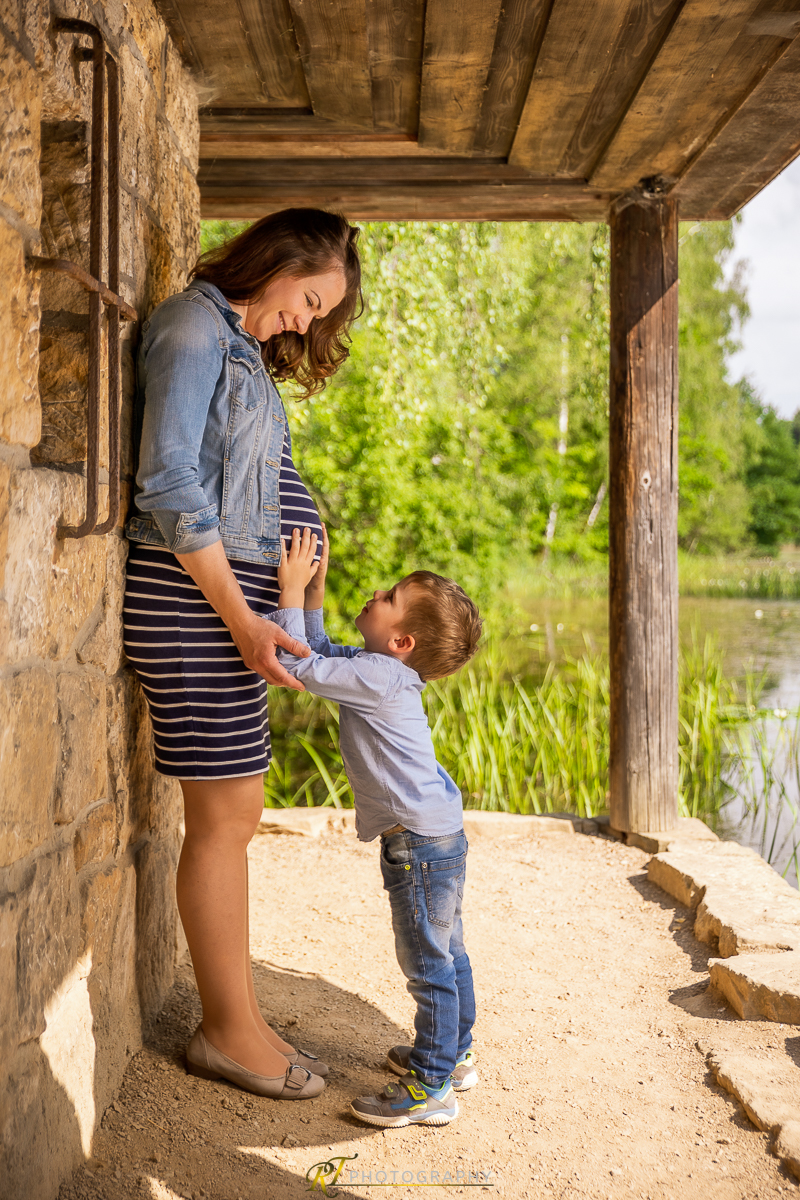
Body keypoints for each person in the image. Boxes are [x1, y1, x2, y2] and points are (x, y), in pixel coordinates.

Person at [122, 209, 361, 1100]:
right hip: (194, 608)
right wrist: (242, 618)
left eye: (320, 313)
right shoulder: (190, 328)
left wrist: (280, 604)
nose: (305, 323)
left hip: (227, 614)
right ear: (275, 262)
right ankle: (226, 1033)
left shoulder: (239, 348)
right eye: (307, 300)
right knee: (222, 821)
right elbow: (171, 482)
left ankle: (244, 1016)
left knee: (240, 813)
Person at [272, 526, 483, 1127]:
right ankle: (454, 1055)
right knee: (448, 950)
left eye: (387, 596)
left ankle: (431, 1088)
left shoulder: (378, 678)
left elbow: (294, 664)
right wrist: (312, 594)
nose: (375, 592)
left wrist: (286, 587)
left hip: (417, 843)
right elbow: (318, 651)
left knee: (427, 960)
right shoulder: (379, 671)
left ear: (402, 640)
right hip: (436, 834)